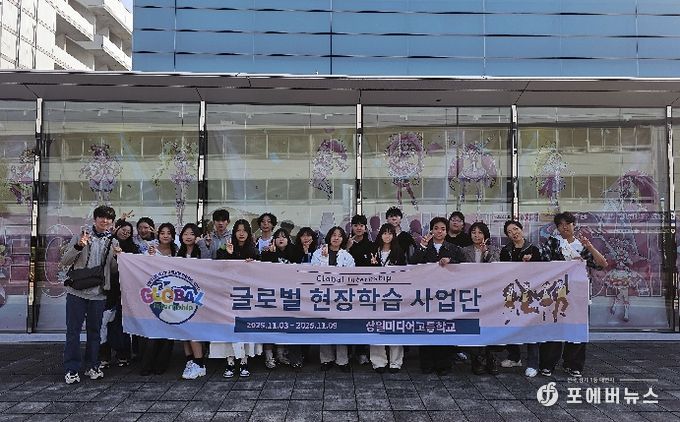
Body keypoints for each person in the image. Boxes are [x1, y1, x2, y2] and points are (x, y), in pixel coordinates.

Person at [539, 212, 607, 378]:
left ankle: (573, 364)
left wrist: (590, 247)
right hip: (556, 293)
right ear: (557, 228)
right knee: (553, 328)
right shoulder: (553, 243)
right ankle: (548, 364)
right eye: (561, 225)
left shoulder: (582, 245)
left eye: (568, 224)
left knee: (576, 329)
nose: (565, 227)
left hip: (578, 294)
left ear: (574, 225)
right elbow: (544, 262)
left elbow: (602, 264)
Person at [61, 205, 120, 384]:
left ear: (112, 222)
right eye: (101, 217)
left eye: (109, 219)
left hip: (99, 294)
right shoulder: (81, 236)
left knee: (95, 332)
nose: (105, 221)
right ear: (95, 219)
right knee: (73, 332)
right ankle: (71, 369)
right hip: (77, 292)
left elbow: (113, 270)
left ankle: (92, 365)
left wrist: (118, 258)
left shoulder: (113, 242)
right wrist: (79, 246)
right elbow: (65, 261)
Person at [410, 216, 466, 375]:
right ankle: (426, 363)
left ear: (447, 231)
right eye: (436, 228)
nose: (439, 231)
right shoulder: (424, 246)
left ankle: (444, 364)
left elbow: (464, 268)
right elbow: (413, 264)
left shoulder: (453, 248)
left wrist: (450, 261)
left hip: (446, 295)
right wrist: (422, 246)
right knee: (427, 327)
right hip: (426, 295)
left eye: (442, 229)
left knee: (444, 328)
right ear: (431, 230)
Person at [212, 219, 262, 378]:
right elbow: (218, 268)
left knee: (244, 329)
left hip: (246, 297)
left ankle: (244, 361)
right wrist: (229, 254)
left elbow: (261, 272)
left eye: (244, 230)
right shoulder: (224, 247)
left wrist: (252, 264)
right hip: (227, 295)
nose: (241, 233)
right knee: (229, 328)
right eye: (238, 230)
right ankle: (230, 362)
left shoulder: (254, 250)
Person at [499, 219, 542, 378]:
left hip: (530, 295)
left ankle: (533, 363)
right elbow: (504, 271)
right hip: (511, 294)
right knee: (510, 325)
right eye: (509, 232)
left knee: (531, 327)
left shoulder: (534, 249)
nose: (514, 233)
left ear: (522, 229)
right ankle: (514, 357)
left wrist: (529, 263)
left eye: (515, 229)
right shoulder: (506, 250)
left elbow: (541, 271)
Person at [312, 226, 355, 371]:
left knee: (341, 328)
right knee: (325, 327)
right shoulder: (318, 253)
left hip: (341, 296)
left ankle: (342, 360)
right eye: (333, 235)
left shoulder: (347, 256)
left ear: (343, 239)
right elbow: (313, 273)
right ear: (329, 237)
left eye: (339, 235)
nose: (336, 238)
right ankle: (326, 359)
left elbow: (351, 276)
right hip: (323, 295)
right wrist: (324, 259)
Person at [260, 228, 304, 369]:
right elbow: (266, 270)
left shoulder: (295, 252)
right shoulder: (266, 253)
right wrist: (271, 254)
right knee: (269, 325)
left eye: (284, 237)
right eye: (278, 236)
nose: (281, 239)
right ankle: (269, 356)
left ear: (288, 239)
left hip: (288, 294)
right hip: (271, 294)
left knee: (283, 324)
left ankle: (281, 354)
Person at [461, 221, 501, 375]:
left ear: (485, 235)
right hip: (471, 293)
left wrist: (485, 253)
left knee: (490, 326)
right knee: (474, 327)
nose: (476, 235)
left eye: (480, 232)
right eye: (473, 232)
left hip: (489, 293)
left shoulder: (494, 249)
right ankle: (477, 359)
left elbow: (496, 267)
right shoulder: (464, 251)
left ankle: (491, 358)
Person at [99, 219, 138, 369]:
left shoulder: (133, 248)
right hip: (107, 289)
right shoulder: (108, 243)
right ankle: (104, 355)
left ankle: (123, 354)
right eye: (123, 230)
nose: (125, 233)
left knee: (121, 325)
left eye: (128, 232)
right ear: (116, 229)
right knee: (104, 323)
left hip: (125, 292)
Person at [139, 222, 177, 376]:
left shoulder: (177, 251)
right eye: (162, 233)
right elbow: (140, 268)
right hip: (154, 296)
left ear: (173, 236)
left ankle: (161, 364)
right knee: (151, 332)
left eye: (168, 233)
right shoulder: (151, 250)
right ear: (158, 234)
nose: (165, 236)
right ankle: (146, 365)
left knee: (167, 331)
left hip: (173, 297)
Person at [369, 223, 406, 373]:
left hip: (393, 295)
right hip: (375, 295)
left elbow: (404, 273)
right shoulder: (373, 251)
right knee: (376, 326)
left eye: (390, 233)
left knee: (394, 327)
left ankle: (395, 362)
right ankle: (378, 361)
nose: (387, 236)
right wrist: (373, 266)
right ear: (380, 235)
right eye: (385, 233)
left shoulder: (399, 252)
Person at [177, 223, 210, 380]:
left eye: (191, 234)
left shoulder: (202, 249)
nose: (188, 237)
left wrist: (201, 244)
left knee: (193, 329)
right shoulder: (179, 252)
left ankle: (199, 363)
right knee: (184, 329)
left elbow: (208, 262)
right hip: (182, 296)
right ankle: (190, 361)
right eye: (185, 234)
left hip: (198, 295)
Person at [346, 214, 372, 365]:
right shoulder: (346, 243)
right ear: (352, 227)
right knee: (348, 319)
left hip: (365, 288)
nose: (359, 228)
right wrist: (347, 248)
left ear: (365, 228)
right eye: (356, 225)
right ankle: (349, 351)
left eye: (361, 225)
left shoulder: (371, 244)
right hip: (348, 288)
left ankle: (362, 351)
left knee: (363, 319)